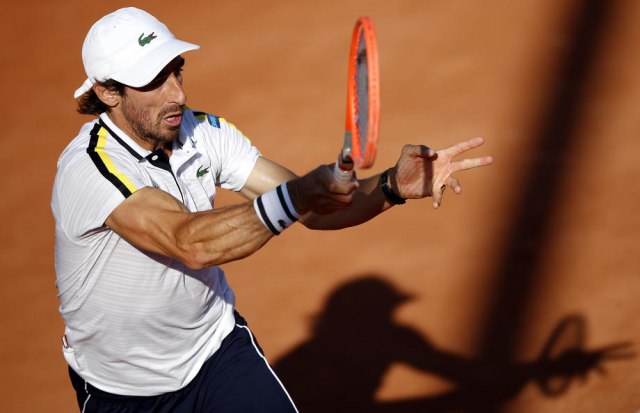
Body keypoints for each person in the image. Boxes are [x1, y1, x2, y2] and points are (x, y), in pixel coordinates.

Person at [51, 7, 493, 413]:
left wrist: (391, 186)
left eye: (176, 71)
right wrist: (297, 197)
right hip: (123, 392)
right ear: (107, 92)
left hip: (216, 353)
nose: (177, 94)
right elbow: (189, 242)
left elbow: (316, 210)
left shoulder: (203, 133)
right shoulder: (89, 170)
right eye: (153, 81)